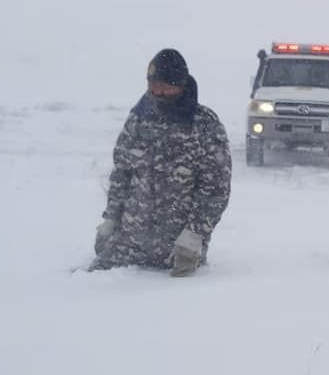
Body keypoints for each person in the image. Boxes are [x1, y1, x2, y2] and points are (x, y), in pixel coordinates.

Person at [91, 48, 232, 277]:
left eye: (164, 85)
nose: (156, 91)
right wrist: (110, 220)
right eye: (152, 84)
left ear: (180, 84)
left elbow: (216, 189)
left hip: (177, 248)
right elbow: (122, 174)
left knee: (168, 304)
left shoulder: (205, 125)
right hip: (129, 242)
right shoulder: (139, 118)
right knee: (88, 285)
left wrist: (194, 236)